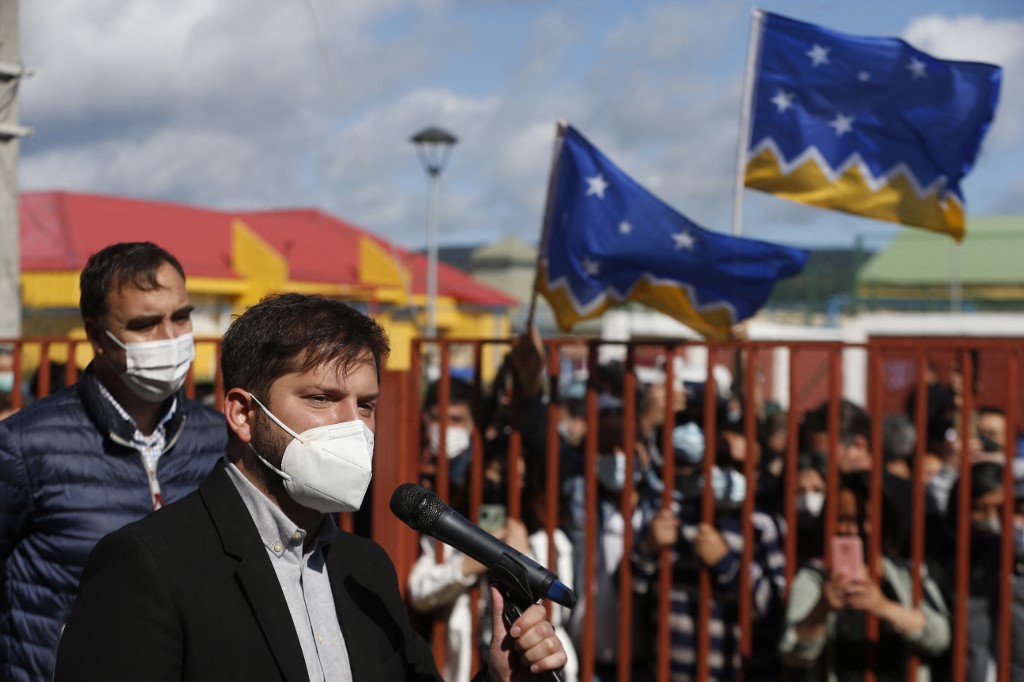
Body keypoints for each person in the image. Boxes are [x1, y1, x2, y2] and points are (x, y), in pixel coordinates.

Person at [54, 293, 567, 681]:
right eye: (322, 398)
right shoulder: (148, 564)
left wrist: (498, 678)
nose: (354, 426)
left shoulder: (365, 571)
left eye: (365, 405)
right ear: (242, 413)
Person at [0, 242, 228, 682]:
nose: (171, 338)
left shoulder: (219, 438)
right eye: (144, 323)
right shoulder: (25, 446)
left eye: (180, 317)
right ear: (96, 335)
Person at [780, 472, 950, 681]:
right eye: (843, 519)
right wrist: (822, 608)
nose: (853, 529)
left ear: (884, 521)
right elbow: (794, 654)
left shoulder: (907, 574)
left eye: (865, 519)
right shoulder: (814, 577)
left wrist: (883, 607)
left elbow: (941, 638)